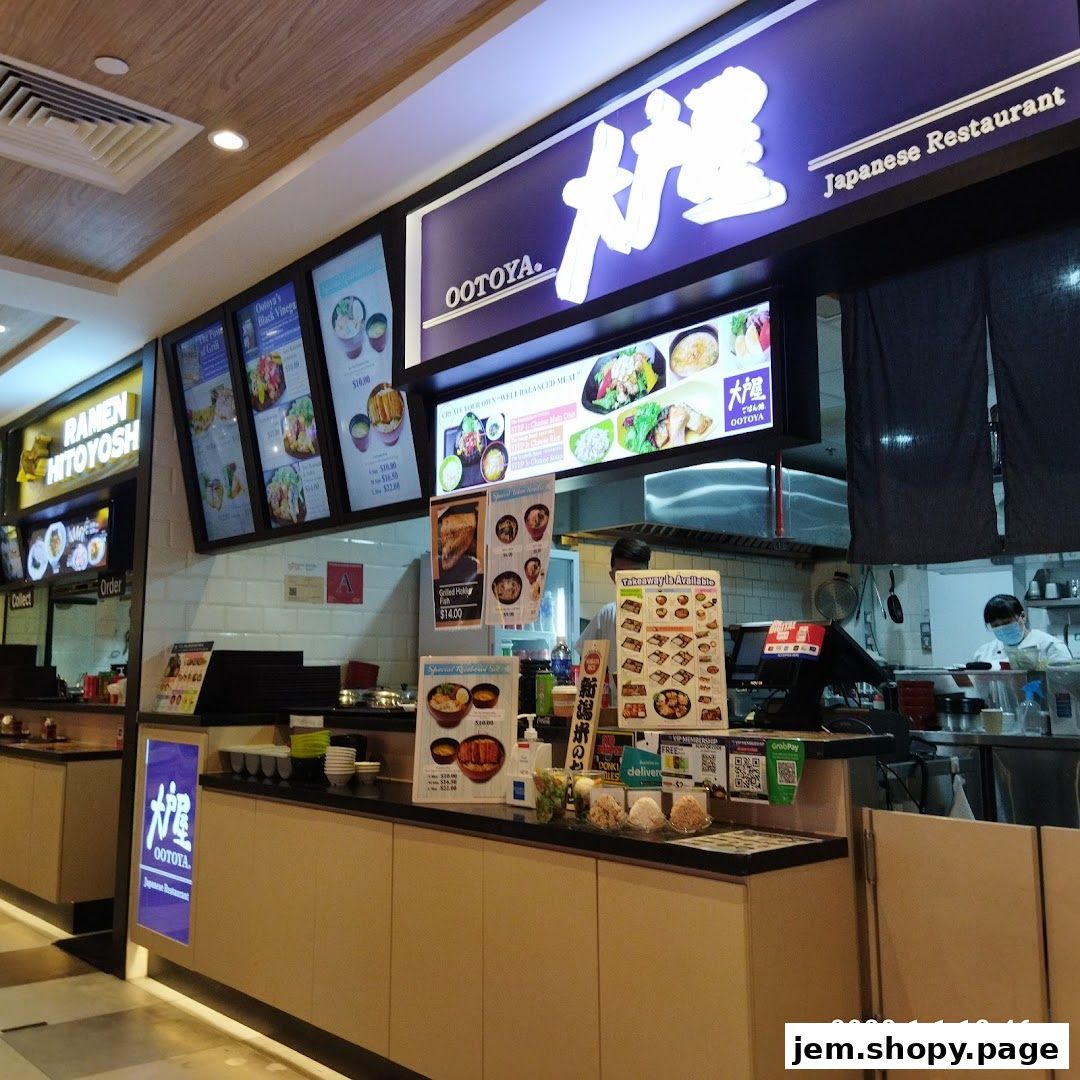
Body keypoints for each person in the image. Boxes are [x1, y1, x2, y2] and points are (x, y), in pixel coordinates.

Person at [574, 536, 652, 666]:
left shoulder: (661, 611)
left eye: (636, 574)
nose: (630, 582)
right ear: (612, 577)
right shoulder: (607, 615)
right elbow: (586, 659)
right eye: (622, 576)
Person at [971, 594, 1072, 666]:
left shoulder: (1050, 646)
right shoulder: (984, 652)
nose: (1001, 628)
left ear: (1022, 616)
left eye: (1006, 623)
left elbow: (1065, 682)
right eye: (996, 625)